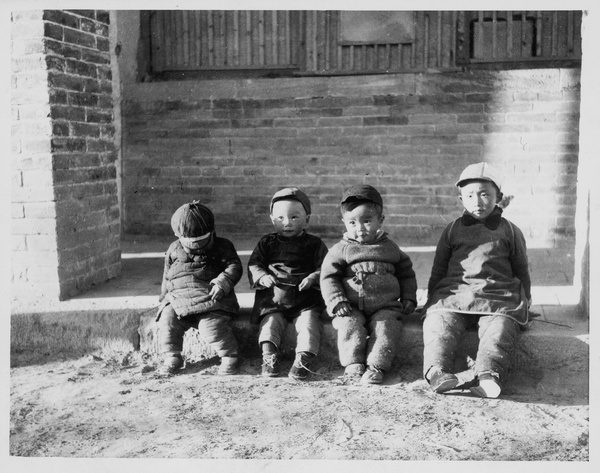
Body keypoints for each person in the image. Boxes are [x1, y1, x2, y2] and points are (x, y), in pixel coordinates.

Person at [422, 162, 532, 398]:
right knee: (438, 323)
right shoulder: (452, 230)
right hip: (456, 293)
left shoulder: (510, 231)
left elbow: (521, 268)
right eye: (470, 195)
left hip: (497, 294)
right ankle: (437, 372)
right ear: (460, 198)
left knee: (500, 328)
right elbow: (439, 267)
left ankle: (489, 375)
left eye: (484, 194)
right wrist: (432, 299)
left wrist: (527, 299)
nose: (477, 201)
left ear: (498, 197)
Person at [320, 185, 418, 385]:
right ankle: (353, 363)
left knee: (386, 327)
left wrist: (408, 296)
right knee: (349, 325)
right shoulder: (342, 249)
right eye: (353, 223)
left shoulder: (389, 248)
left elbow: (406, 273)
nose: (360, 228)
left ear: (380, 221)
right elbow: (328, 277)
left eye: (367, 221)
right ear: (344, 223)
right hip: (351, 305)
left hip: (385, 306)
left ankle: (376, 365)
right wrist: (337, 300)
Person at [248, 188, 328, 380]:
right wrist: (262, 276)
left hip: (305, 300)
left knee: (309, 325)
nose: (287, 223)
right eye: (281, 218)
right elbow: (255, 264)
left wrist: (313, 277)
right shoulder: (266, 243)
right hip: (274, 300)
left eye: (294, 217)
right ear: (272, 219)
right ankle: (269, 357)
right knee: (269, 324)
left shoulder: (314, 244)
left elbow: (325, 268)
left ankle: (302, 360)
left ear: (306, 219)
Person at [156, 200, 242, 375]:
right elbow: (167, 275)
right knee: (168, 321)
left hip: (212, 299)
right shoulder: (173, 249)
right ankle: (172, 356)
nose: (196, 248)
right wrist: (163, 298)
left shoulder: (222, 246)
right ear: (177, 234)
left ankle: (230, 355)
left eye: (202, 242)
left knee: (211, 328)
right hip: (180, 299)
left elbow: (234, 266)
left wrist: (222, 282)